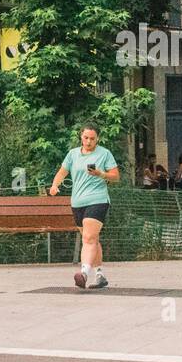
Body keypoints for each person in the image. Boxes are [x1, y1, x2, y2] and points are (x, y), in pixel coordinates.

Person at [50, 123, 119, 289]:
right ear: (81, 137)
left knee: (88, 238)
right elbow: (62, 172)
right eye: (86, 138)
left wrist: (101, 174)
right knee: (91, 239)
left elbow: (116, 176)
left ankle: (84, 273)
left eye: (92, 139)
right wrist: (54, 186)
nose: (88, 141)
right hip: (77, 202)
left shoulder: (104, 154)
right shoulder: (73, 154)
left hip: (98, 200)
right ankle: (100, 274)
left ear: (98, 139)